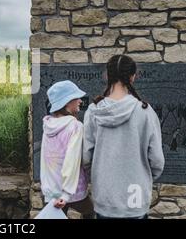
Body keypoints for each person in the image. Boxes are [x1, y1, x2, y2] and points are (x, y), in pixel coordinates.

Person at [83, 55, 165, 219]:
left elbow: (85, 158)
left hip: (104, 197)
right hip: (136, 197)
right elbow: (157, 160)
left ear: (107, 76)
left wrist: (99, 176)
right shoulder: (145, 112)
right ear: (132, 77)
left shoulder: (93, 111)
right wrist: (144, 176)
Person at [40, 80, 94, 219]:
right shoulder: (75, 127)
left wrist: (50, 193)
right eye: (76, 98)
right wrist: (66, 194)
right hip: (72, 190)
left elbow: (46, 163)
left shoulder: (48, 125)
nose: (80, 101)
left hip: (53, 192)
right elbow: (72, 161)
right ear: (67, 102)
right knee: (90, 211)